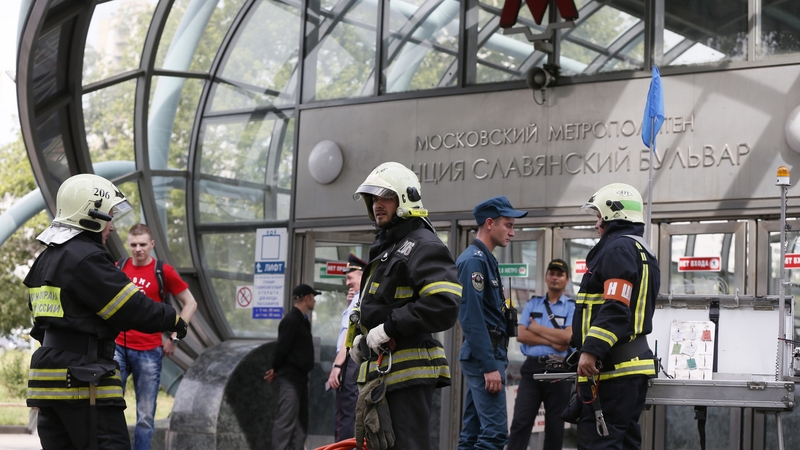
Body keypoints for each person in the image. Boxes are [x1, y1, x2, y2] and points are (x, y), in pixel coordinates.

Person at [25, 174, 188, 450]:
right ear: (91, 214)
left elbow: (42, 323)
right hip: (83, 381)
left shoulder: (46, 257)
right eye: (109, 216)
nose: (112, 227)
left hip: (48, 380)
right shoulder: (86, 256)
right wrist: (173, 319)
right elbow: (130, 308)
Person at [349, 161, 461, 450]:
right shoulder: (389, 247)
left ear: (405, 198)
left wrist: (388, 328)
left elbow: (444, 304)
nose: (377, 205)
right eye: (373, 199)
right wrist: (362, 338)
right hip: (385, 375)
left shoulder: (423, 244)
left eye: (385, 197)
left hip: (406, 376)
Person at [571, 182, 660, 449]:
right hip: (628, 370)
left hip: (613, 373)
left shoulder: (618, 249)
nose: (597, 224)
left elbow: (615, 307)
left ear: (613, 216)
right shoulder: (642, 251)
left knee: (599, 444)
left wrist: (591, 351)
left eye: (599, 216)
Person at [114, 223, 198, 450]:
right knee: (109, 406)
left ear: (152, 244)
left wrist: (175, 337)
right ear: (128, 245)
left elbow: (190, 303)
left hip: (149, 350)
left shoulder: (163, 271)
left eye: (142, 244)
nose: (138, 249)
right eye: (133, 244)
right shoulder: (119, 267)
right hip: (118, 347)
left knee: (145, 415)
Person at [456, 196, 527, 450]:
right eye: (508, 225)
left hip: (489, 353)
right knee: (495, 434)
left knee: (473, 435)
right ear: (489, 224)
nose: (513, 232)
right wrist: (488, 366)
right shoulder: (474, 260)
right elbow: (471, 317)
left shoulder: (485, 258)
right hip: (484, 356)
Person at [507, 259, 575, 450]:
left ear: (567, 280)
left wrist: (535, 328)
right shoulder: (533, 303)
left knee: (555, 426)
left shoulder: (571, 307)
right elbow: (520, 334)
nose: (555, 277)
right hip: (532, 368)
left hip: (559, 369)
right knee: (521, 422)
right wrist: (553, 341)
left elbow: (568, 337)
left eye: (560, 274)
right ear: (546, 277)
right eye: (552, 273)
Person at [264, 284, 318, 450]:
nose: (315, 300)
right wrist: (275, 368)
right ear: (307, 298)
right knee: (286, 422)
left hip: (300, 378)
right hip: (290, 378)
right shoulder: (292, 319)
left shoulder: (302, 320)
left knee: (301, 422)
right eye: (313, 296)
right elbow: (281, 348)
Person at [327, 253, 367, 442]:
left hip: (349, 360)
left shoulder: (361, 301)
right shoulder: (358, 299)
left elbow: (348, 337)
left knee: (345, 415)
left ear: (362, 274)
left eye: (350, 278)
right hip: (353, 360)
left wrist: (337, 366)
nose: (347, 283)